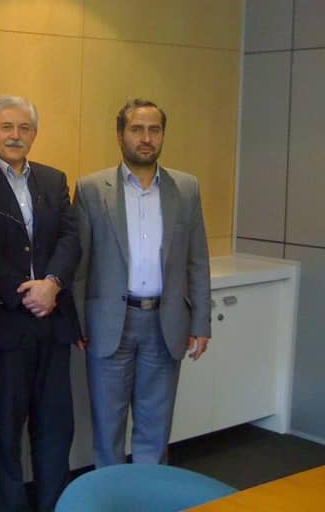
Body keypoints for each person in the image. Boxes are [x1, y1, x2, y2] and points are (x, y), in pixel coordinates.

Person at [73, 98, 212, 467]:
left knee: (155, 428)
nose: (146, 138)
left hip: (165, 323)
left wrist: (200, 322)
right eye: (137, 129)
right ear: (120, 135)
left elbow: (197, 261)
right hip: (108, 325)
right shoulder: (90, 189)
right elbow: (81, 263)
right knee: (108, 429)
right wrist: (78, 322)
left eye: (154, 129)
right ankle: (112, 501)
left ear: (163, 135)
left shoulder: (186, 188)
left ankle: (149, 499)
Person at [0, 95, 82, 511]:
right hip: (3, 325)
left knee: (56, 429)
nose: (15, 136)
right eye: (6, 127)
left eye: (24, 128)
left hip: (53, 324)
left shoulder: (53, 180)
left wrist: (52, 284)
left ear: (34, 134)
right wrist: (25, 289)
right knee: (4, 434)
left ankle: (54, 506)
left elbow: (71, 239)